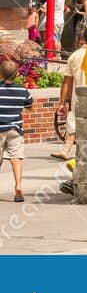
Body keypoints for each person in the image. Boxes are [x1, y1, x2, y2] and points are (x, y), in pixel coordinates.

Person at [54, 31, 87, 162]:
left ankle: (66, 149)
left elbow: (67, 82)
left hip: (78, 96)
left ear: (81, 40)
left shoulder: (74, 56)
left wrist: (62, 102)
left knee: (73, 119)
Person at [0, 61, 31, 203]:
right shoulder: (22, 90)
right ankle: (18, 186)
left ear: (0, 74)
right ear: (17, 74)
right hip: (15, 129)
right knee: (16, 158)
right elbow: (29, 104)